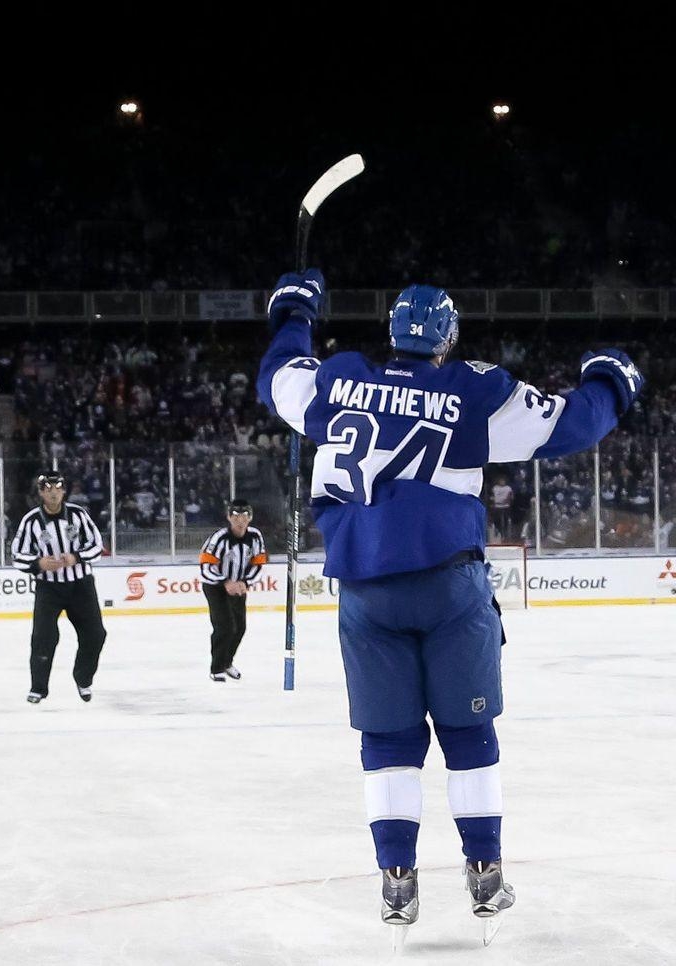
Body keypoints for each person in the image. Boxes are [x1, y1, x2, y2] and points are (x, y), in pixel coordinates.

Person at [257, 270, 642, 935]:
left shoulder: (334, 380)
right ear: (449, 335)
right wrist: (611, 378)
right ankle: (485, 874)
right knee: (467, 731)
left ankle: (396, 882)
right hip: (448, 586)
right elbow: (571, 427)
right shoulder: (471, 389)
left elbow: (277, 374)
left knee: (389, 739)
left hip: (365, 593)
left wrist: (294, 310)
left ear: (392, 334)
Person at [9, 470, 106, 704]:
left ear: (64, 491)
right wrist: (37, 563)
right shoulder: (31, 520)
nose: (53, 493)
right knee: (43, 637)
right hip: (49, 588)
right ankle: (38, 688)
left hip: (81, 586)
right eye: (47, 489)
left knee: (95, 634)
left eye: (57, 488)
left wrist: (77, 557)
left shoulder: (78, 515)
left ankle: (83, 677)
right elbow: (17, 555)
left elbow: (97, 546)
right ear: (41, 493)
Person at [197, 498, 267, 682]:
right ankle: (216, 668)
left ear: (250, 518)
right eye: (236, 516)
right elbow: (205, 566)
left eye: (244, 515)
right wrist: (225, 582)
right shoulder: (219, 538)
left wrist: (245, 582)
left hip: (239, 587)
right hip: (215, 587)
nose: (240, 520)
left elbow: (259, 564)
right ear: (229, 517)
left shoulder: (255, 537)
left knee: (240, 627)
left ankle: (227, 662)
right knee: (224, 626)